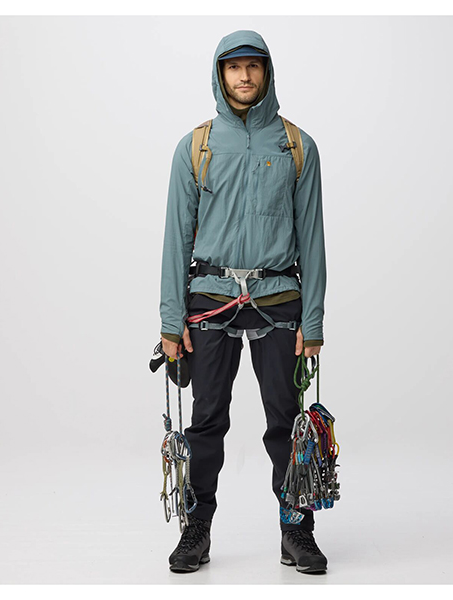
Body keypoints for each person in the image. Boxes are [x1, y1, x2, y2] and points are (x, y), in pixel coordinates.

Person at [159, 29, 327, 574]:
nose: (245, 76)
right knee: (206, 421)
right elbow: (175, 240)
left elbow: (313, 240)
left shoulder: (296, 146)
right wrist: (170, 321)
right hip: (209, 301)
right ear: (220, 74)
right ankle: (196, 529)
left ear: (267, 72)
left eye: (254, 66)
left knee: (287, 422)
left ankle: (296, 530)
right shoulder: (197, 147)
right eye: (234, 67)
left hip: (279, 302)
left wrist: (313, 322)